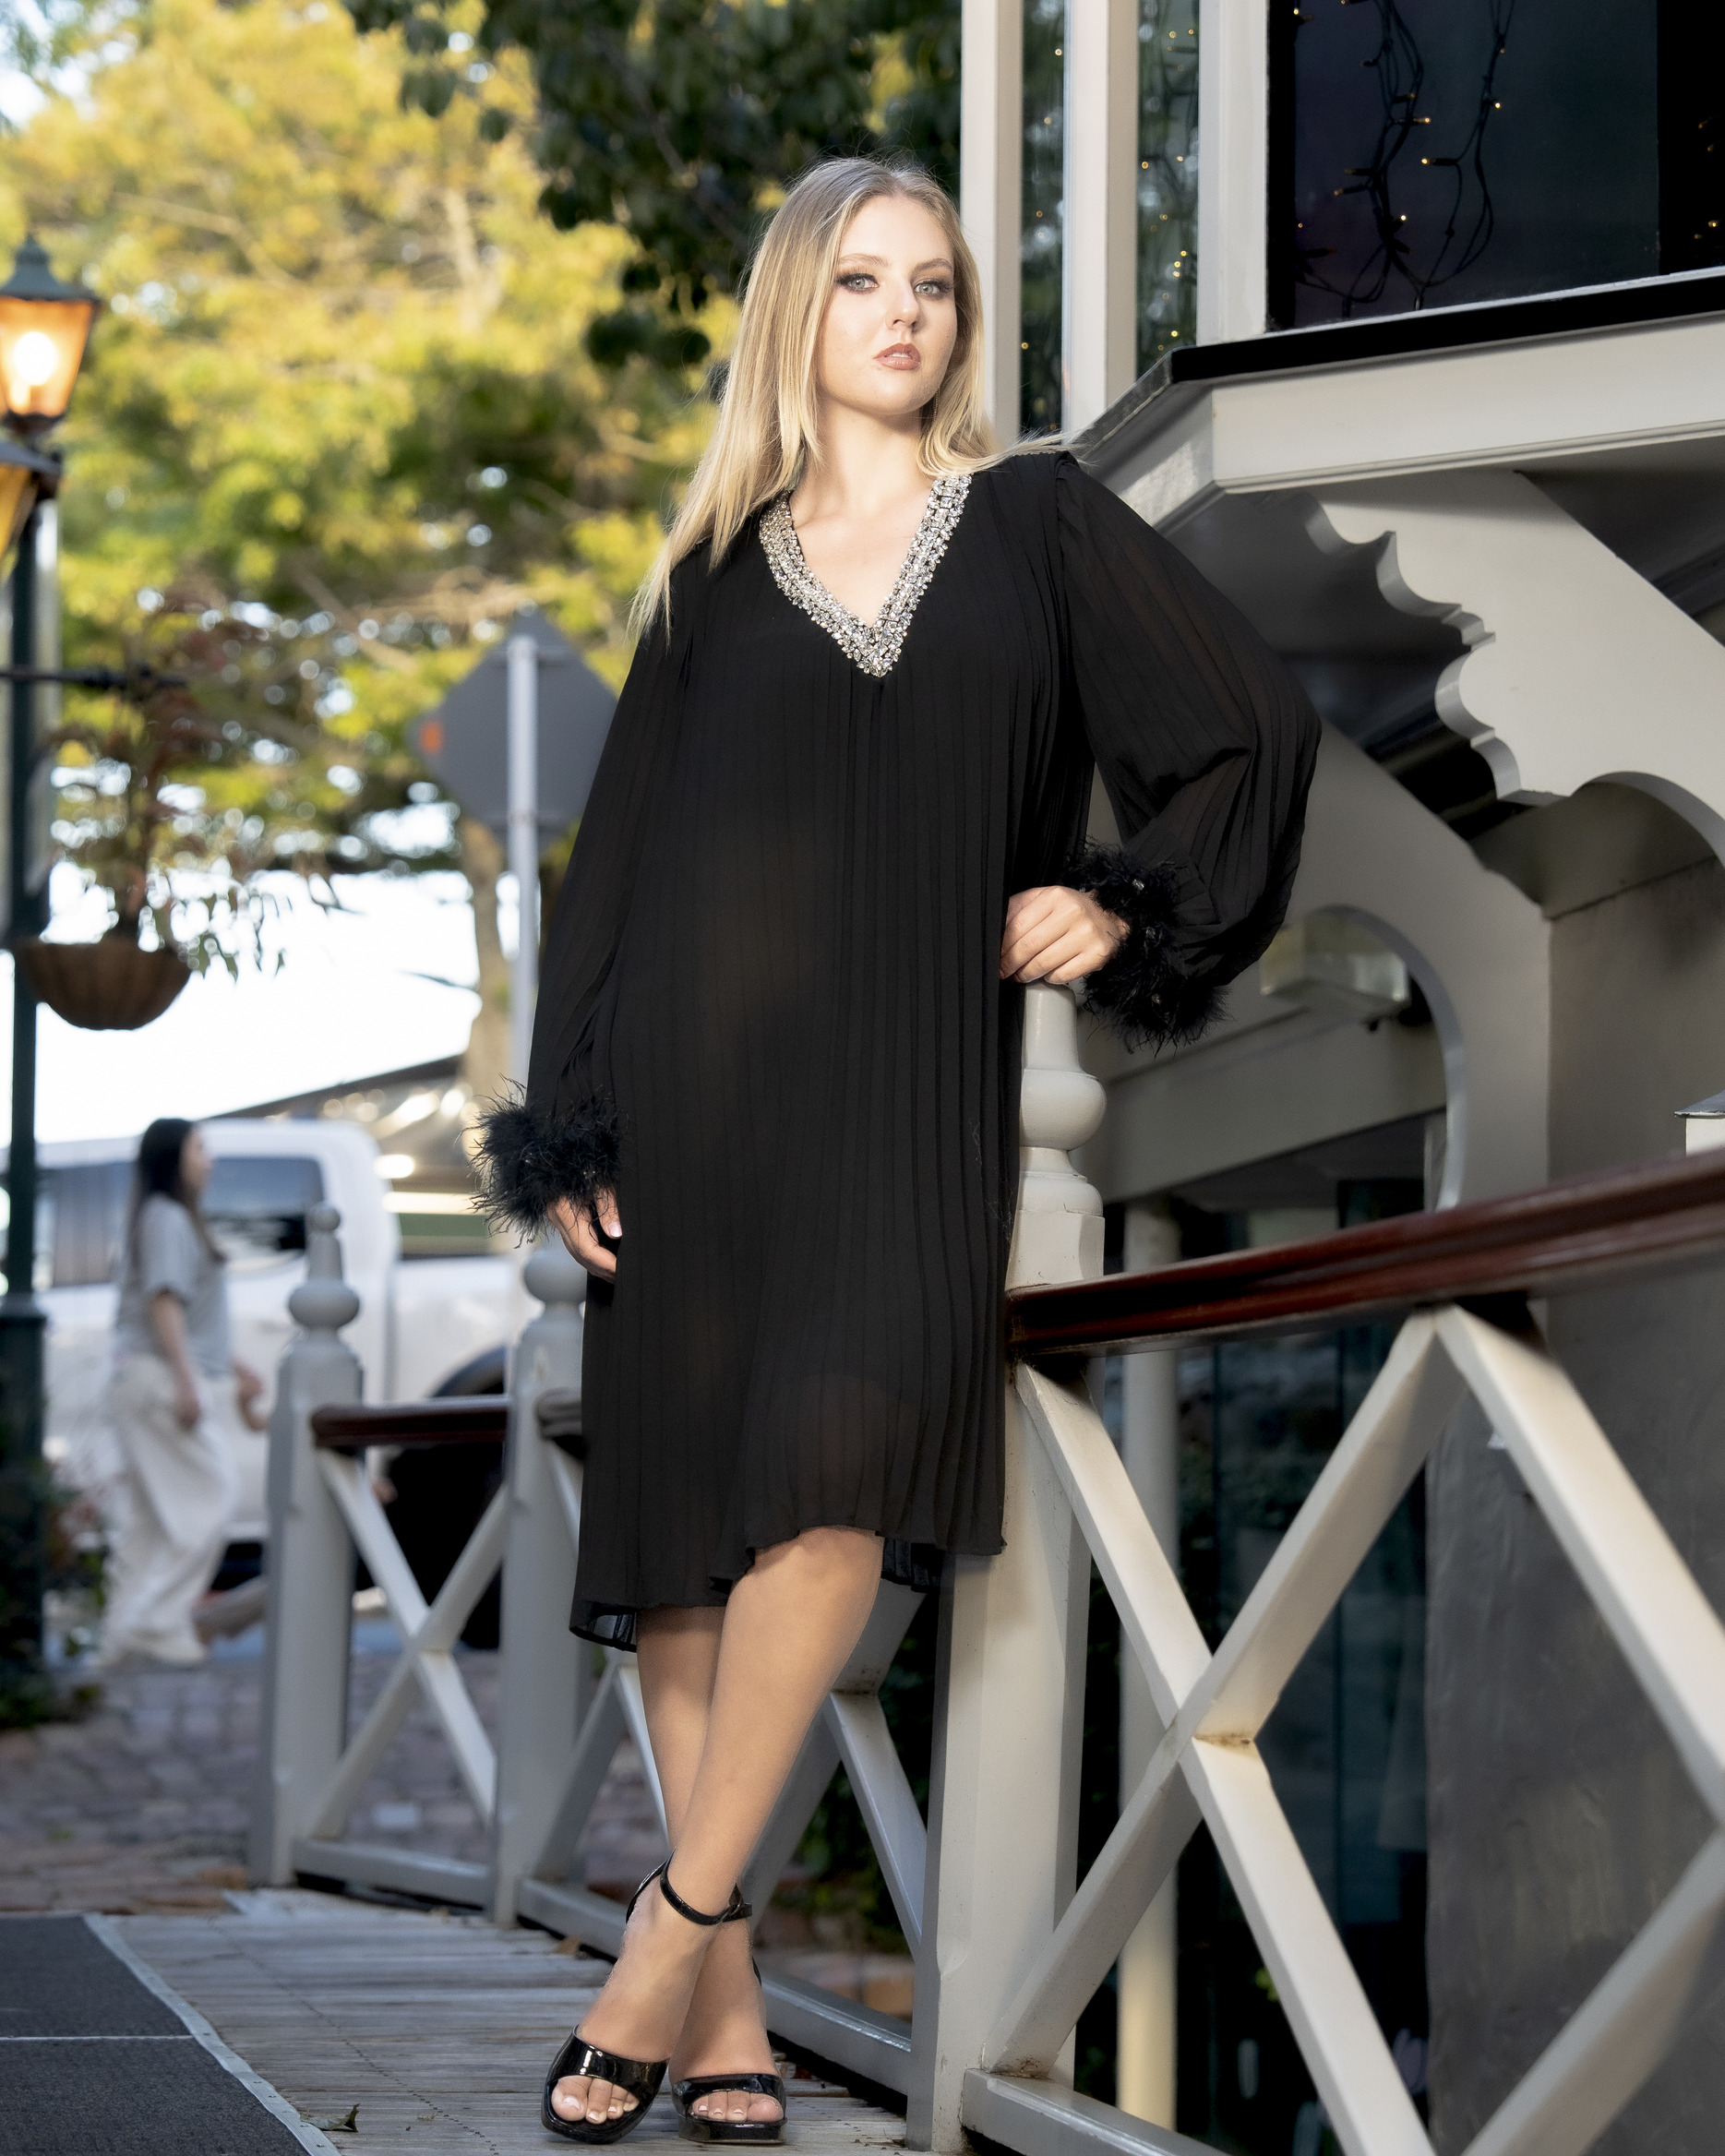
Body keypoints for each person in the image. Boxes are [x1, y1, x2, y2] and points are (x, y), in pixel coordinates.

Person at [476, 155, 1320, 2145]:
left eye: (932, 284)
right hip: (694, 1104)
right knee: (687, 1550)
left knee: (835, 1483)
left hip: (906, 1100)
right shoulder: (710, 574)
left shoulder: (1036, 523)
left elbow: (1249, 727)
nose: (905, 316)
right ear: (799, 307)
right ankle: (727, 2020)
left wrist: (1114, 900)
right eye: (862, 282)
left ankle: (663, 1943)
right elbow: (617, 870)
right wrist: (571, 1124)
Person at [97, 1119, 266, 1669]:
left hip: (142, 1376)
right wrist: (188, 1380)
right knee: (214, 1493)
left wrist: (234, 1366)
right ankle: (156, 1621)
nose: (208, 1159)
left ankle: (115, 1646)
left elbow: (186, 1315)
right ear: (174, 1157)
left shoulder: (161, 1217)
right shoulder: (166, 1216)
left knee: (146, 1523)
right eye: (199, 1148)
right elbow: (163, 1302)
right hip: (156, 1379)